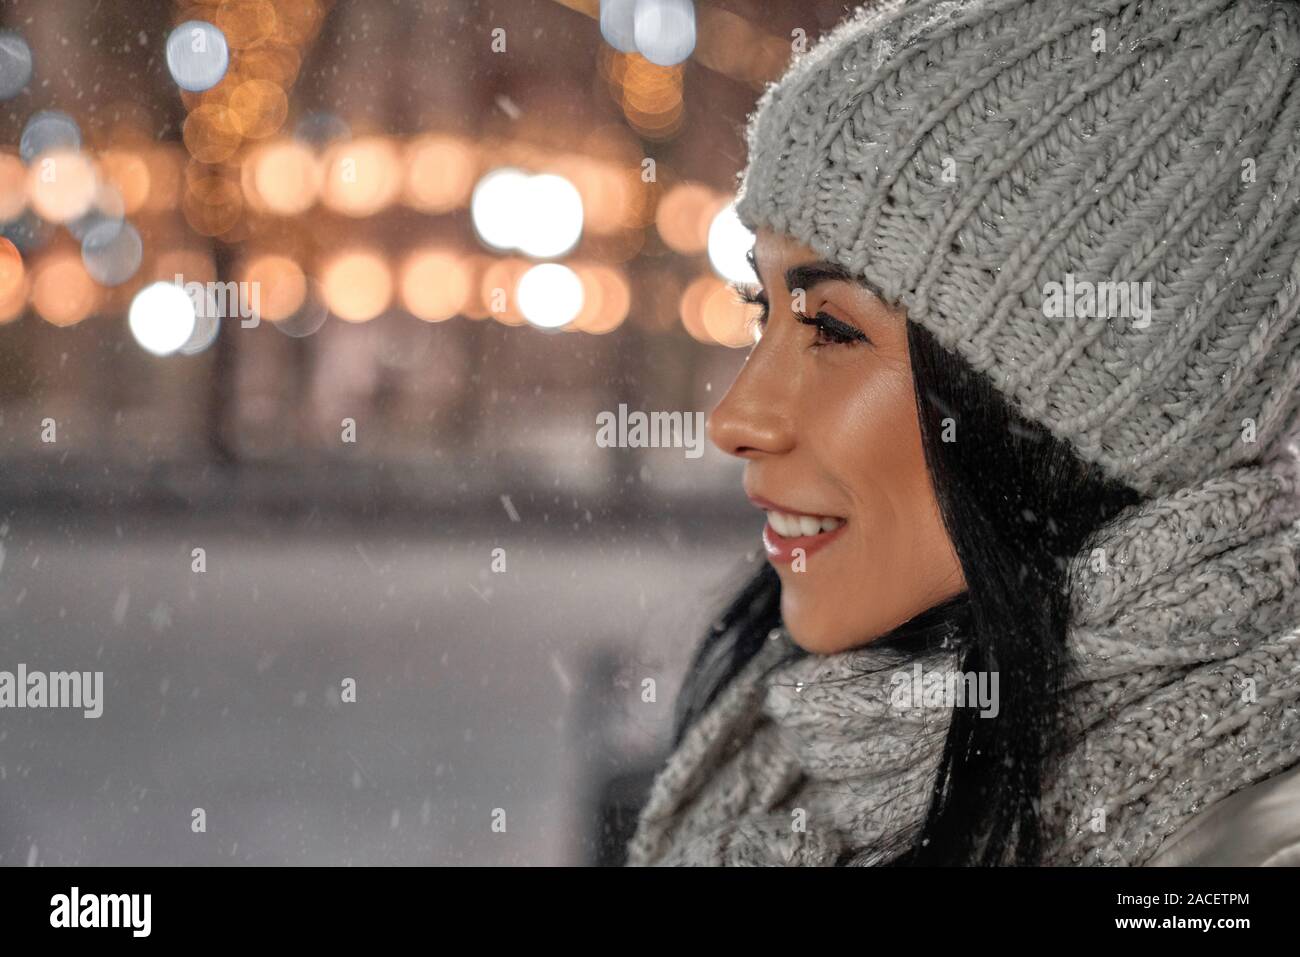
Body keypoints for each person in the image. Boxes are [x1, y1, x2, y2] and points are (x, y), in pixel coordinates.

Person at [626, 0, 1300, 866]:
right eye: (762, 307)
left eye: (832, 328)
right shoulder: (801, 769)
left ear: (1058, 420)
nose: (733, 421)